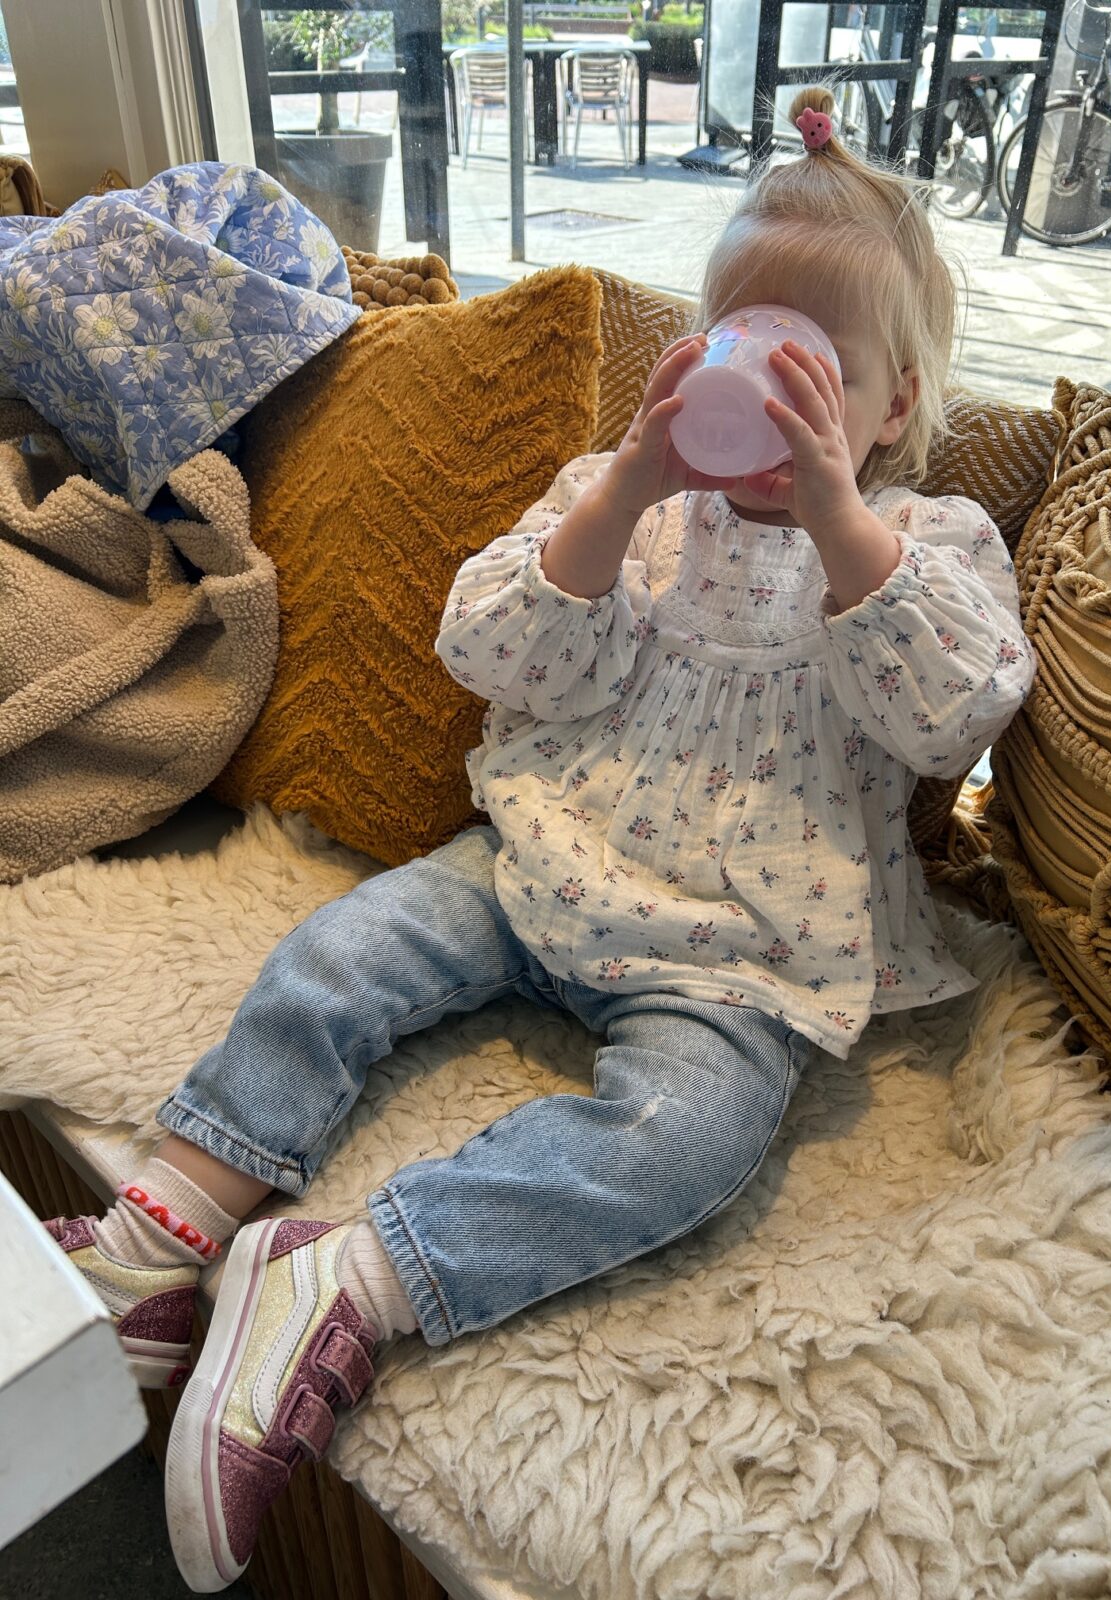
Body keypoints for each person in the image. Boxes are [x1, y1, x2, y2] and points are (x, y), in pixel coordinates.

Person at [46, 83, 1036, 1592]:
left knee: (691, 1142)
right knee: (341, 952)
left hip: (738, 950)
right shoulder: (622, 504)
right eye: (740, 352)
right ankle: (163, 1229)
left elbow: (951, 718)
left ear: (891, 405)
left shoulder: (928, 547)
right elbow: (498, 654)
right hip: (541, 861)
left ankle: (348, 1280)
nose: (769, 404)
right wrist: (629, 484)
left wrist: (844, 521)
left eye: (815, 375)